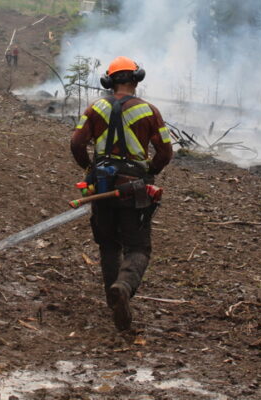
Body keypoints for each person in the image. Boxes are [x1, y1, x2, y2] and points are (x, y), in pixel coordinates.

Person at [70, 56, 173, 331]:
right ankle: (124, 287)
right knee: (138, 246)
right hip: (134, 187)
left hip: (101, 185)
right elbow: (165, 151)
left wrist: (90, 168)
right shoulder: (149, 111)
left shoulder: (95, 108)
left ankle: (113, 299)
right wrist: (149, 170)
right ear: (136, 78)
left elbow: (77, 143)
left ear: (108, 81)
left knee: (108, 245)